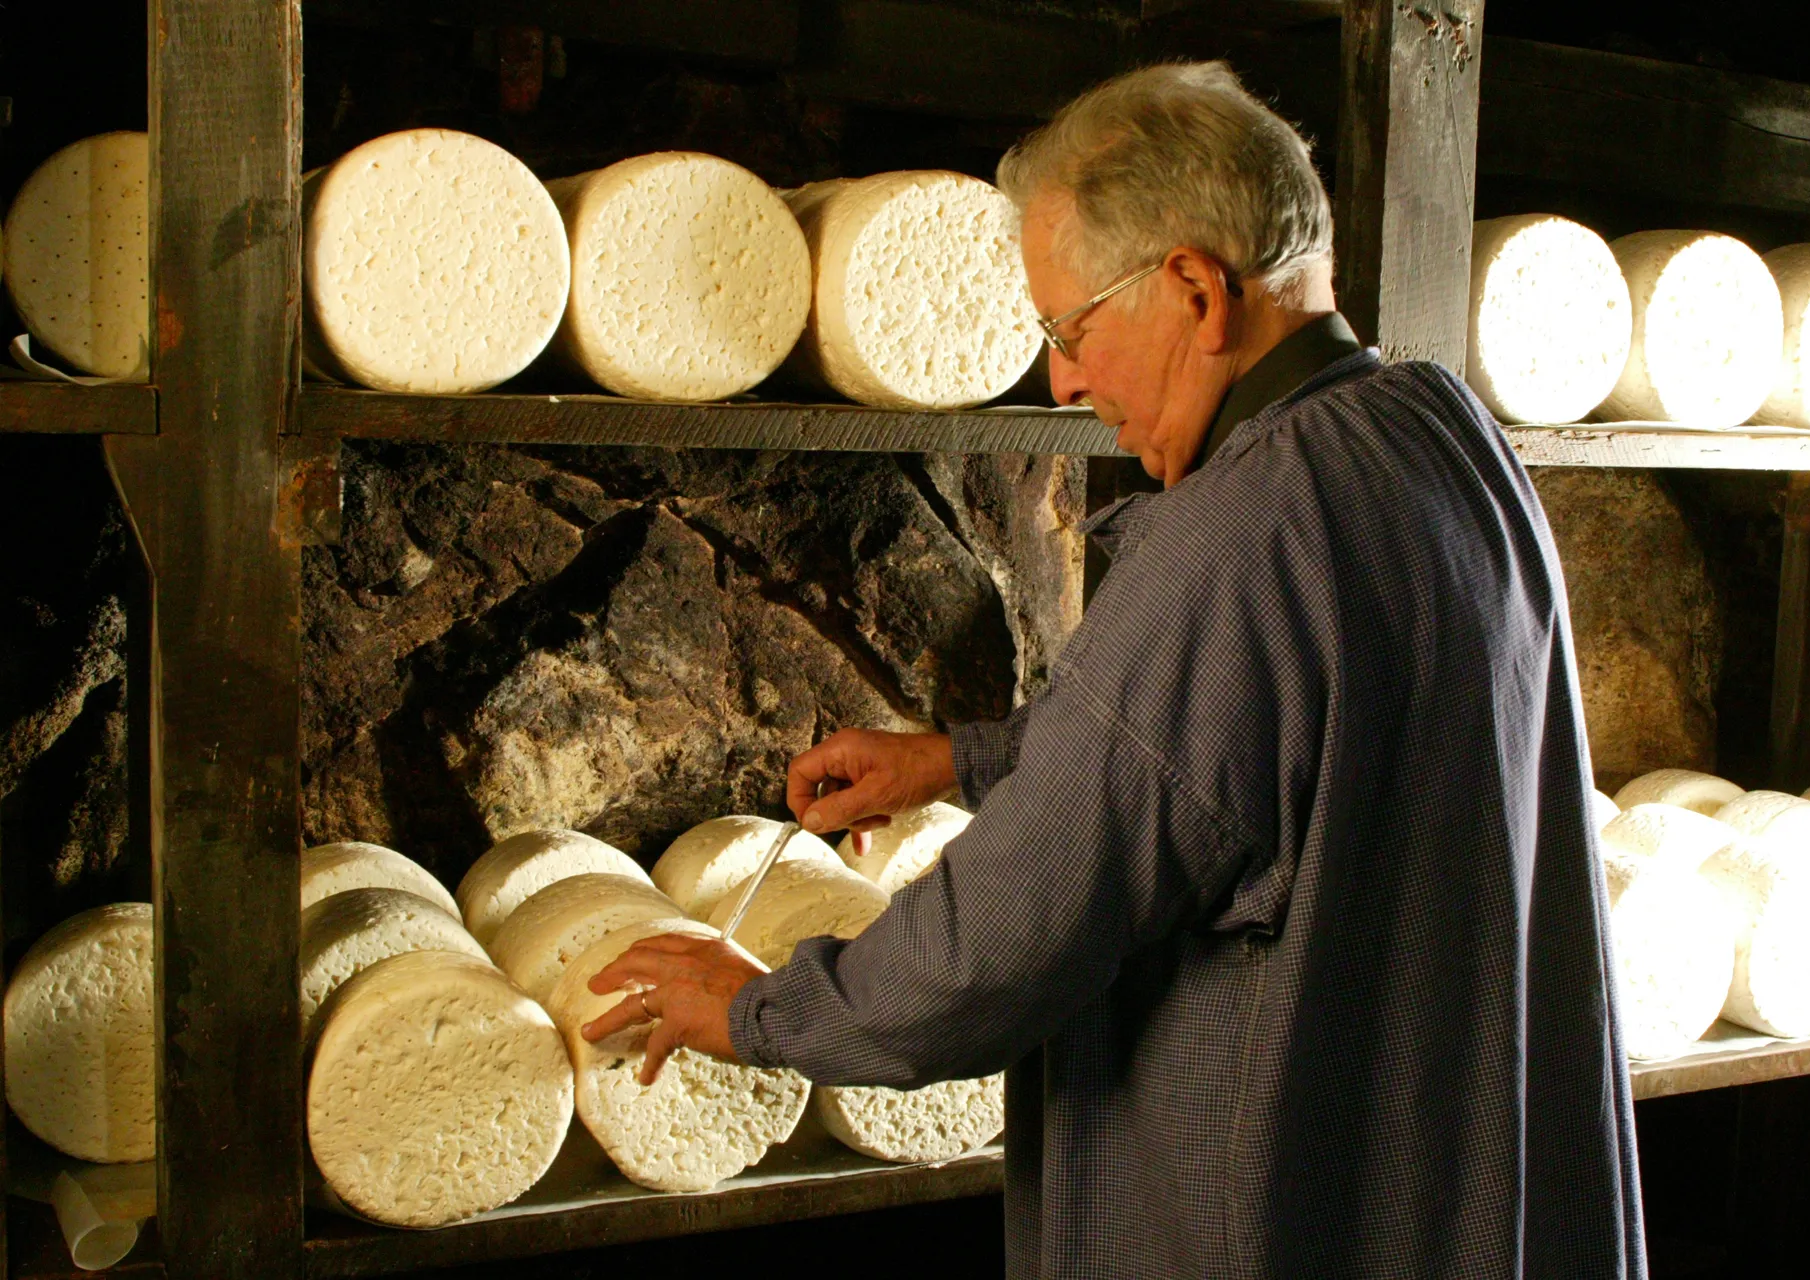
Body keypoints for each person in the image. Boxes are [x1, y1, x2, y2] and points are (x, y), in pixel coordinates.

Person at [584, 61, 1645, 1279]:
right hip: (1433, 1182)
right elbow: (1252, 744)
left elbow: (1007, 932)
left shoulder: (1239, 531)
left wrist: (758, 1007)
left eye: (1073, 330)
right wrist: (962, 759)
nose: (1066, 382)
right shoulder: (1438, 432)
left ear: (1195, 289)